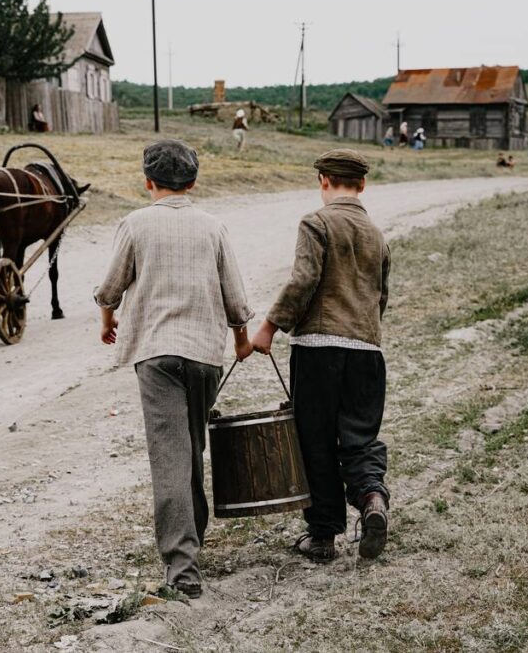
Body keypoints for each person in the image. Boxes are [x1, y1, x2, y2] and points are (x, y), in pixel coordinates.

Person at [94, 140, 254, 599]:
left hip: (157, 354)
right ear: (194, 182)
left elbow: (111, 287)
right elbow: (236, 297)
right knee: (191, 448)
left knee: (169, 454)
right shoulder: (213, 226)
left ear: (148, 181)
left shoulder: (135, 224)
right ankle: (192, 541)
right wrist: (241, 339)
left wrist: (109, 322)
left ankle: (182, 568)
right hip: (204, 354)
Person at [250, 149, 391, 563]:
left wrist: (269, 326)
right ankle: (371, 500)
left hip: (317, 349)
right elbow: (382, 295)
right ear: (362, 185)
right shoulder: (377, 234)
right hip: (367, 350)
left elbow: (304, 280)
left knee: (316, 441)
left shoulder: (316, 222)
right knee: (360, 438)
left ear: (323, 181)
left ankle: (324, 534)